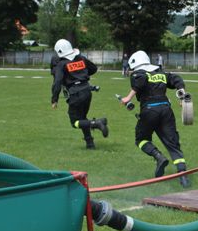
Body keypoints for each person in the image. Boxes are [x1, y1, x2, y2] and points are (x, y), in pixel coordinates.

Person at [120, 50, 190, 187]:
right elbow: (177, 79)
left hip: (149, 110)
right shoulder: (161, 73)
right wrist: (182, 93)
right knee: (173, 144)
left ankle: (159, 157)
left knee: (141, 139)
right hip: (166, 110)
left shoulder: (138, 73)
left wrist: (128, 98)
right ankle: (183, 177)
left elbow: (139, 82)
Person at [51, 39, 108, 149]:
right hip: (87, 90)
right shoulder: (81, 58)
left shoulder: (62, 64)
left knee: (75, 122)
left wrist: (54, 99)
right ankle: (90, 144)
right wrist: (82, 74)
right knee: (82, 118)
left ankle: (97, 123)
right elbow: (94, 69)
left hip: (75, 93)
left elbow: (57, 83)